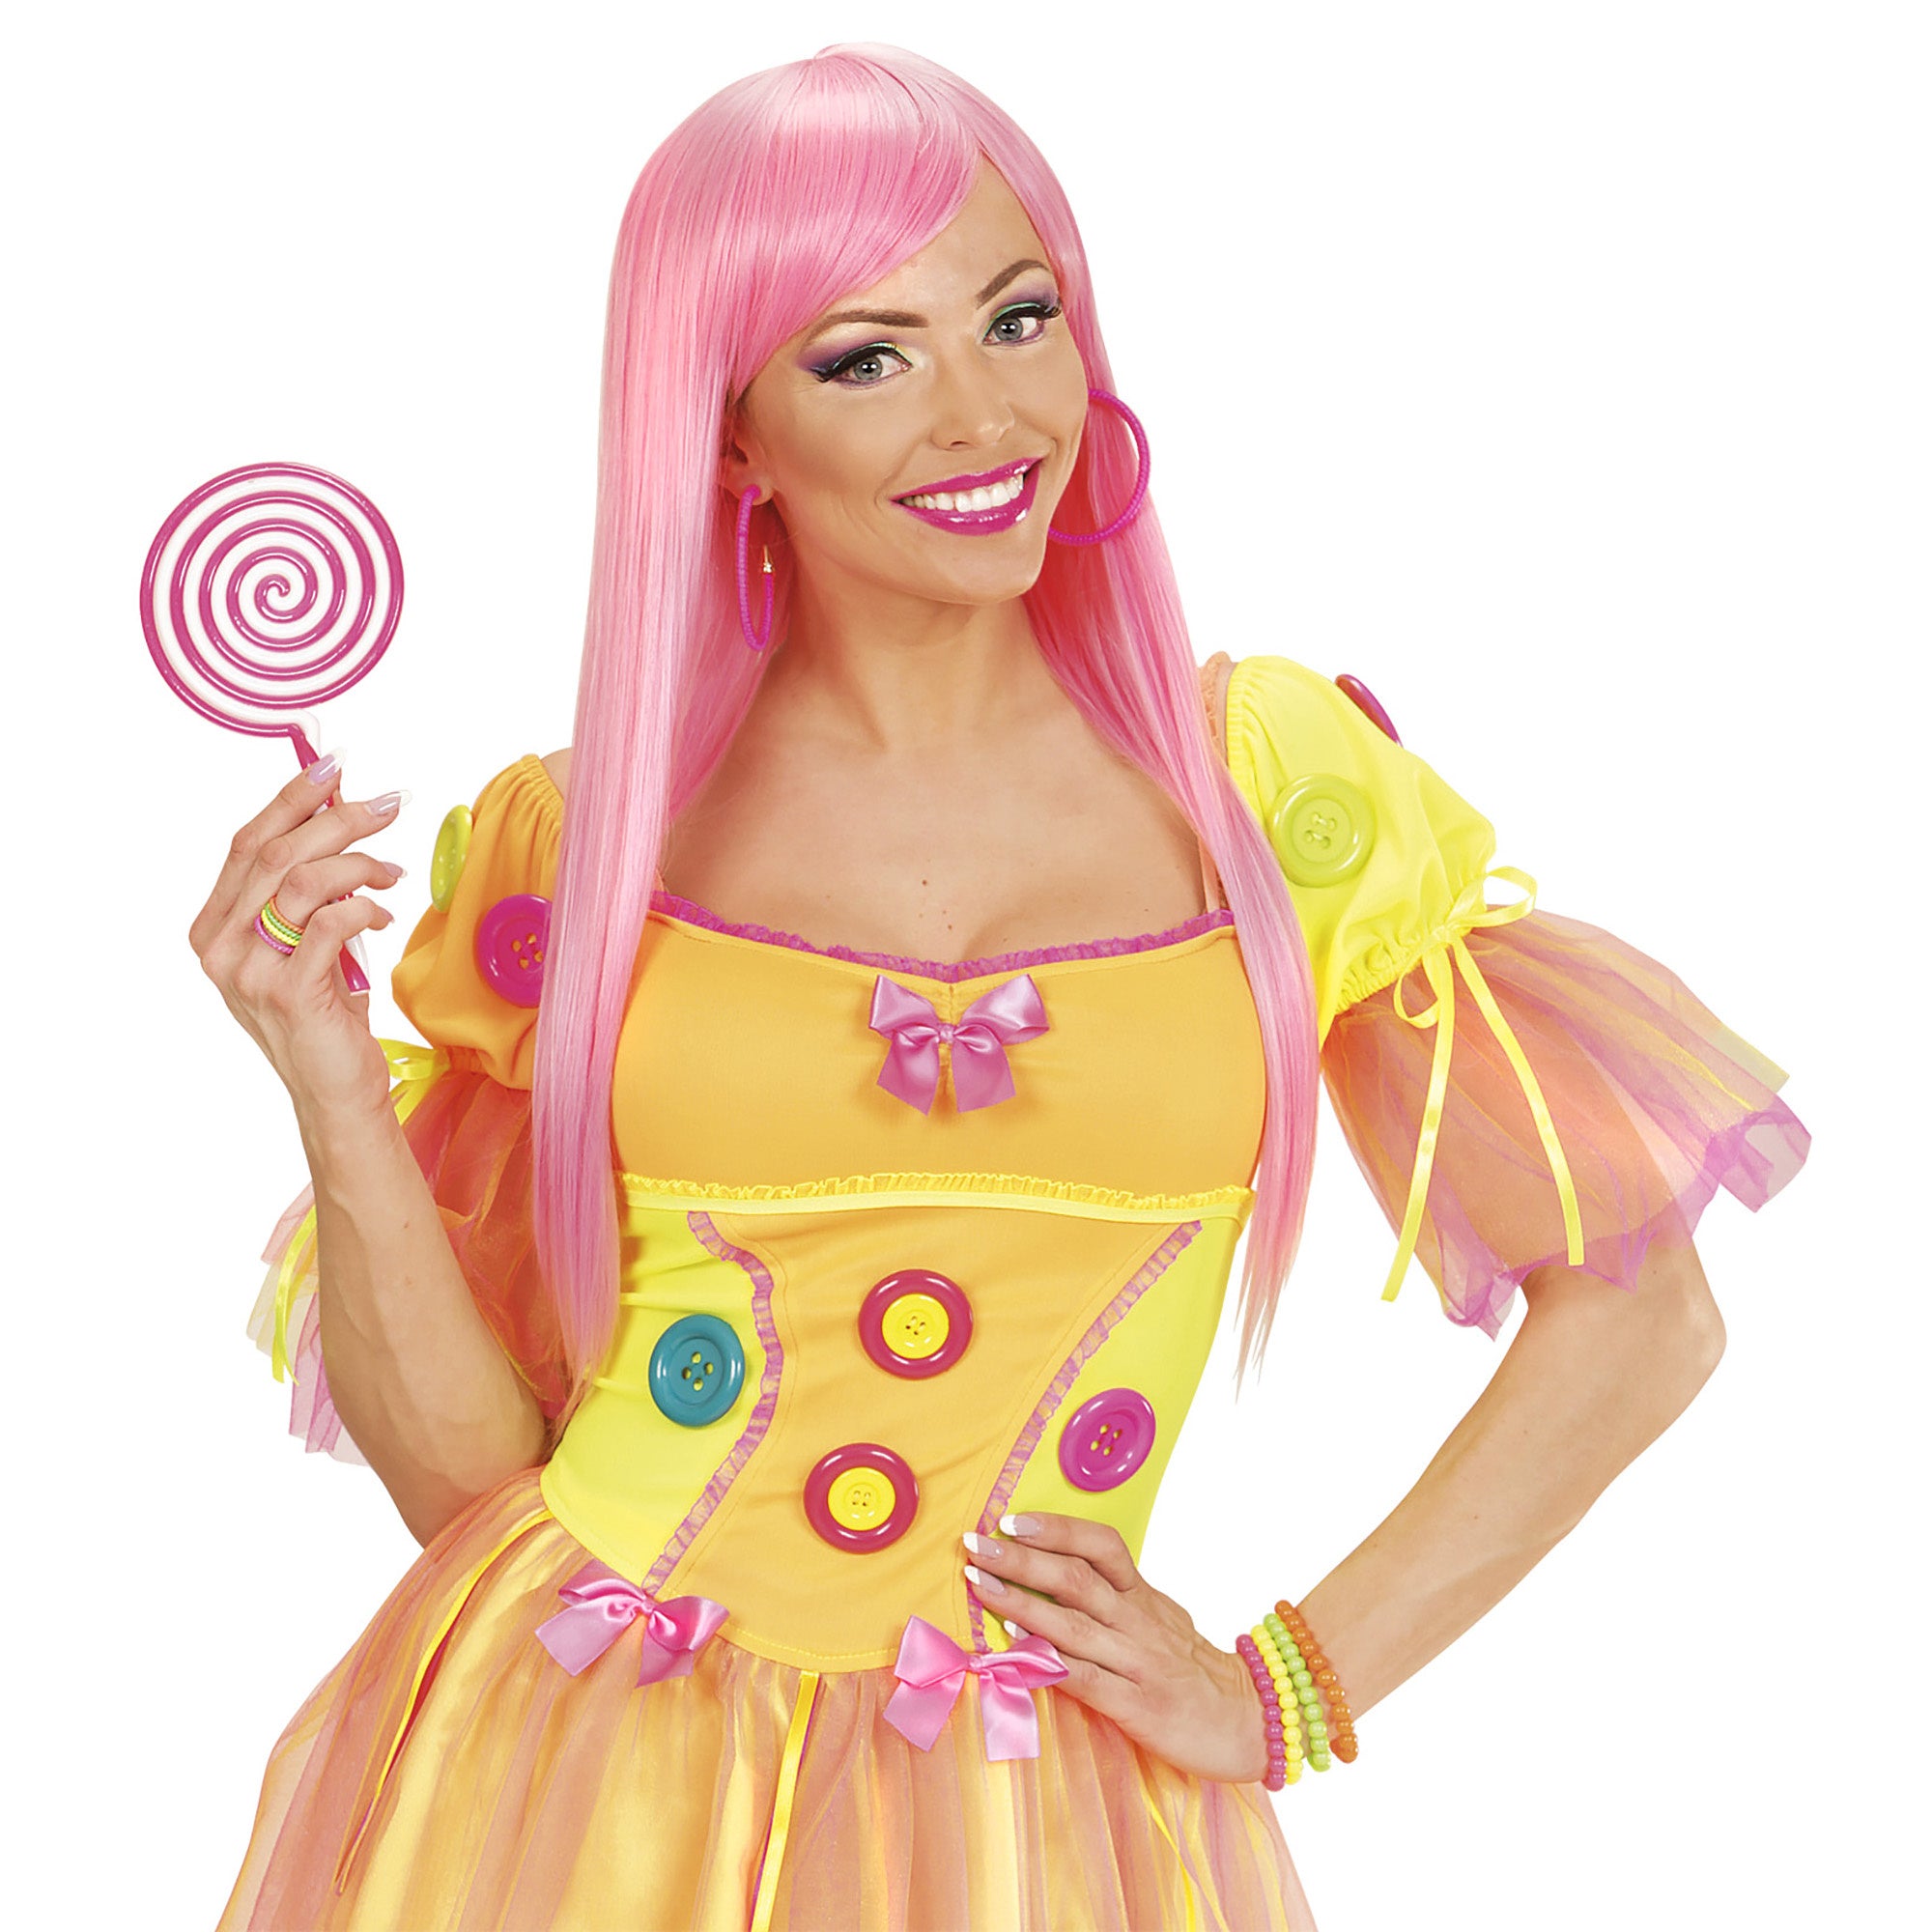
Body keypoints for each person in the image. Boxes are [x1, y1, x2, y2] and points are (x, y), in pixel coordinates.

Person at [200, 43, 1809, 1930]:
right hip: (579, 1787)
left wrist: (1286, 1689)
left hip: (1037, 1814)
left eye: (1018, 318)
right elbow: (469, 1486)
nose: (982, 414)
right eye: (863, 358)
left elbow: (1640, 1311)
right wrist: (324, 1071)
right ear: (728, 439)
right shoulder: (582, 850)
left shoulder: (1268, 797)